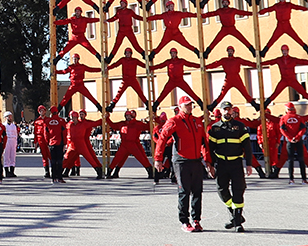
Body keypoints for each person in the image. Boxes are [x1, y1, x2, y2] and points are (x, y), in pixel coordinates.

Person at [155, 99, 208, 232]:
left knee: (197, 191)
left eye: (191, 105)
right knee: (184, 191)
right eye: (186, 105)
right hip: (181, 161)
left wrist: (208, 161)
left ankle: (196, 220)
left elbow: (204, 142)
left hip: (196, 160)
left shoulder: (197, 121)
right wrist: (158, 159)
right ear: (180, 106)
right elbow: (162, 138)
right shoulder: (174, 121)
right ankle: (184, 221)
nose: (189, 107)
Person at [208, 104, 251, 232]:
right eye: (224, 109)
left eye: (229, 109)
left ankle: (237, 222)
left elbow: (247, 147)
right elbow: (210, 149)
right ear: (220, 111)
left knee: (238, 190)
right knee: (222, 190)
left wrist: (249, 164)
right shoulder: (215, 128)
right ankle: (234, 214)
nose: (227, 111)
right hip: (221, 164)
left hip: (236, 163)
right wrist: (210, 164)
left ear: (232, 111)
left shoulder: (240, 126)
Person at [278, 102, 308, 184]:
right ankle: (304, 179)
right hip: (298, 140)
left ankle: (291, 179)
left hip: (289, 141)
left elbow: (282, 129)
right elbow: (303, 128)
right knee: (301, 159)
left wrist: (290, 138)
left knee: (290, 160)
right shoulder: (299, 117)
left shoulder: (283, 118)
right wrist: (297, 137)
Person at [106, 110, 153, 179]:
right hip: (124, 144)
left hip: (133, 144)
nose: (128, 117)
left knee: (142, 158)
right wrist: (107, 118)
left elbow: (148, 127)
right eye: (127, 116)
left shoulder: (137, 123)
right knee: (117, 158)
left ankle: (150, 171)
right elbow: (113, 125)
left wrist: (150, 120)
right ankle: (111, 171)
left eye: (130, 116)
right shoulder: (122, 123)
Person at [43, 107, 68, 183]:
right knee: (60, 161)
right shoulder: (61, 121)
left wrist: (47, 142)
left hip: (51, 143)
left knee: (53, 161)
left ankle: (53, 178)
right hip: (59, 143)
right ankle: (60, 177)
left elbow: (46, 133)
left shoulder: (47, 121)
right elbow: (64, 133)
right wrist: (64, 143)